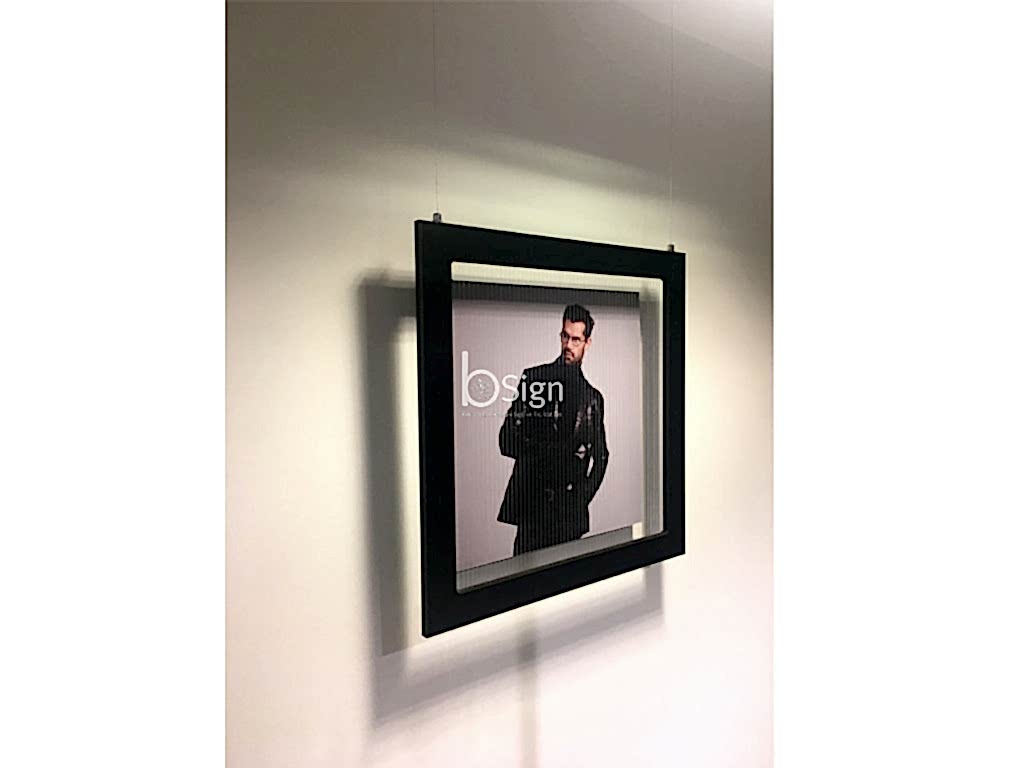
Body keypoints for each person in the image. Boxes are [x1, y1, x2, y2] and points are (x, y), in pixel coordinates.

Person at [497, 304, 610, 555]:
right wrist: (550, 452)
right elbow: (506, 440)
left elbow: (602, 456)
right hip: (532, 510)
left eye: (576, 339)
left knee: (568, 577)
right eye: (565, 336)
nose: (568, 345)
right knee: (524, 576)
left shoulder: (592, 399)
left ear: (587, 343)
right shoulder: (534, 379)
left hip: (569, 519)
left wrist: (580, 498)